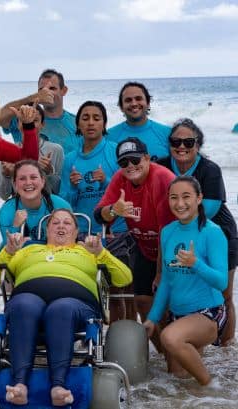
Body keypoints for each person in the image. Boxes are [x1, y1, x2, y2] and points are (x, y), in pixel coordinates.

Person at [0, 209, 132, 406]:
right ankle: (19, 385)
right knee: (22, 305)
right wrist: (9, 251)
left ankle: (58, 386)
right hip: (28, 298)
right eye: (55, 223)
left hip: (76, 303)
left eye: (67, 223)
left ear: (76, 231)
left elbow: (125, 278)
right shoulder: (28, 250)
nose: (61, 226)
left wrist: (100, 253)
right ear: (47, 230)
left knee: (61, 308)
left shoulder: (88, 252)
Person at [157, 118, 237, 346]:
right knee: (181, 293)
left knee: (224, 294)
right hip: (180, 234)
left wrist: (176, 220)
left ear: (198, 145)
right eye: (176, 141)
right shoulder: (161, 165)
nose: (181, 147)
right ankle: (189, 344)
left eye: (188, 142)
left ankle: (225, 346)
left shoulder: (209, 169)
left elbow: (208, 210)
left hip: (218, 234)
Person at [143, 176, 227, 385]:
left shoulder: (212, 233)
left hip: (209, 313)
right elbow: (166, 282)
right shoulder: (167, 232)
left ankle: (211, 388)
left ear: (199, 198)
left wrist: (196, 264)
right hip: (179, 315)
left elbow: (221, 282)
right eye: (174, 198)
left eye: (186, 196)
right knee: (178, 379)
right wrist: (152, 318)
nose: (179, 204)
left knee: (170, 338)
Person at [94, 137, 175, 342]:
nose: (130, 166)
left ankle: (179, 357)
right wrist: (113, 210)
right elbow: (98, 214)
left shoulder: (162, 178)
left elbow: (167, 234)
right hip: (145, 248)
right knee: (142, 301)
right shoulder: (120, 180)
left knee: (169, 306)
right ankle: (165, 355)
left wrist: (160, 274)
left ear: (147, 158)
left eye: (135, 160)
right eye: (124, 163)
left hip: (174, 249)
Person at [60, 101, 133, 321]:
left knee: (119, 291)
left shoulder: (114, 151)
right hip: (82, 232)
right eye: (85, 118)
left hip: (115, 232)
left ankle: (124, 340)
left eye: (96, 118)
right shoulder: (70, 159)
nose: (91, 122)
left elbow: (128, 191)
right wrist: (73, 187)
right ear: (78, 125)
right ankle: (92, 339)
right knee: (83, 289)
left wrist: (107, 182)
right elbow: (64, 202)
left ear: (104, 124)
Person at [0, 69, 80, 154]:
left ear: (63, 90)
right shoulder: (26, 118)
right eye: (42, 90)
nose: (47, 92)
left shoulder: (77, 123)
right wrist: (33, 98)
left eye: (52, 88)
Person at [0, 160, 71, 250]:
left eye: (33, 177)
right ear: (15, 185)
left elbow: (70, 242)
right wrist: (15, 227)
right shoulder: (7, 212)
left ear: (43, 181)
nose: (28, 182)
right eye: (22, 178)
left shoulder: (61, 206)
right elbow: (9, 250)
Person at [0, 104, 64, 197]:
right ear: (18, 124)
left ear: (42, 124)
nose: (29, 123)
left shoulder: (56, 150)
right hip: (19, 208)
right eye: (23, 120)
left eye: (35, 120)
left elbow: (60, 191)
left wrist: (49, 172)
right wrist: (7, 175)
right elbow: (3, 195)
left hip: (47, 209)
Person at [106, 81, 170, 161]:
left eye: (138, 99)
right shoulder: (109, 136)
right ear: (121, 107)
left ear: (148, 102)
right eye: (128, 100)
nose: (134, 103)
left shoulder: (167, 133)